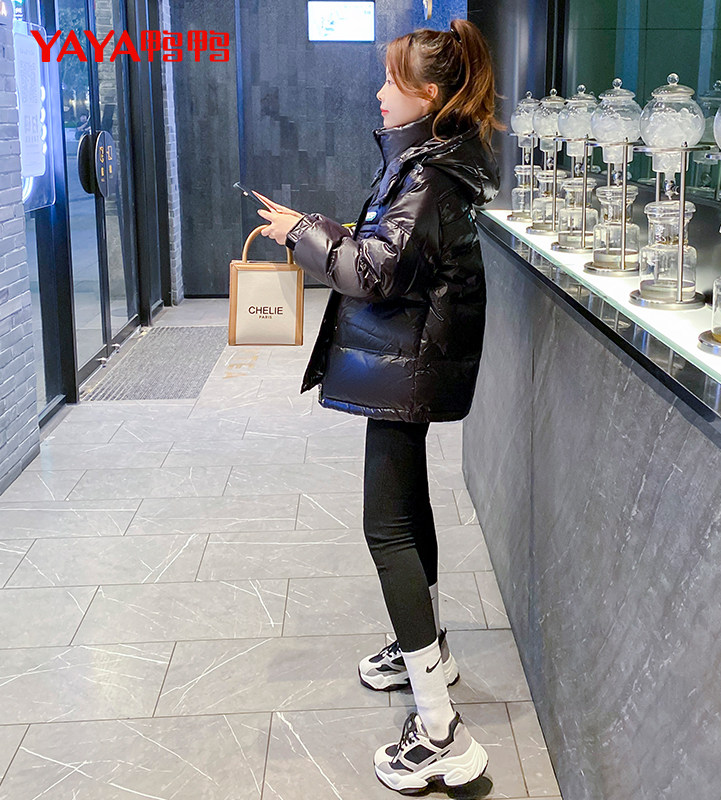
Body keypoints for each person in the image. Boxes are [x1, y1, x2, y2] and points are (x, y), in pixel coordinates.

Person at [253, 18, 502, 793]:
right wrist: (311, 229)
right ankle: (428, 650)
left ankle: (440, 730)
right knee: (407, 510)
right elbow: (387, 256)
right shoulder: (431, 160)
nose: (378, 93)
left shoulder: (428, 176)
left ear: (426, 94)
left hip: (408, 367)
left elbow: (376, 273)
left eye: (391, 81)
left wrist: (304, 234)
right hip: (409, 361)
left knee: (386, 527)